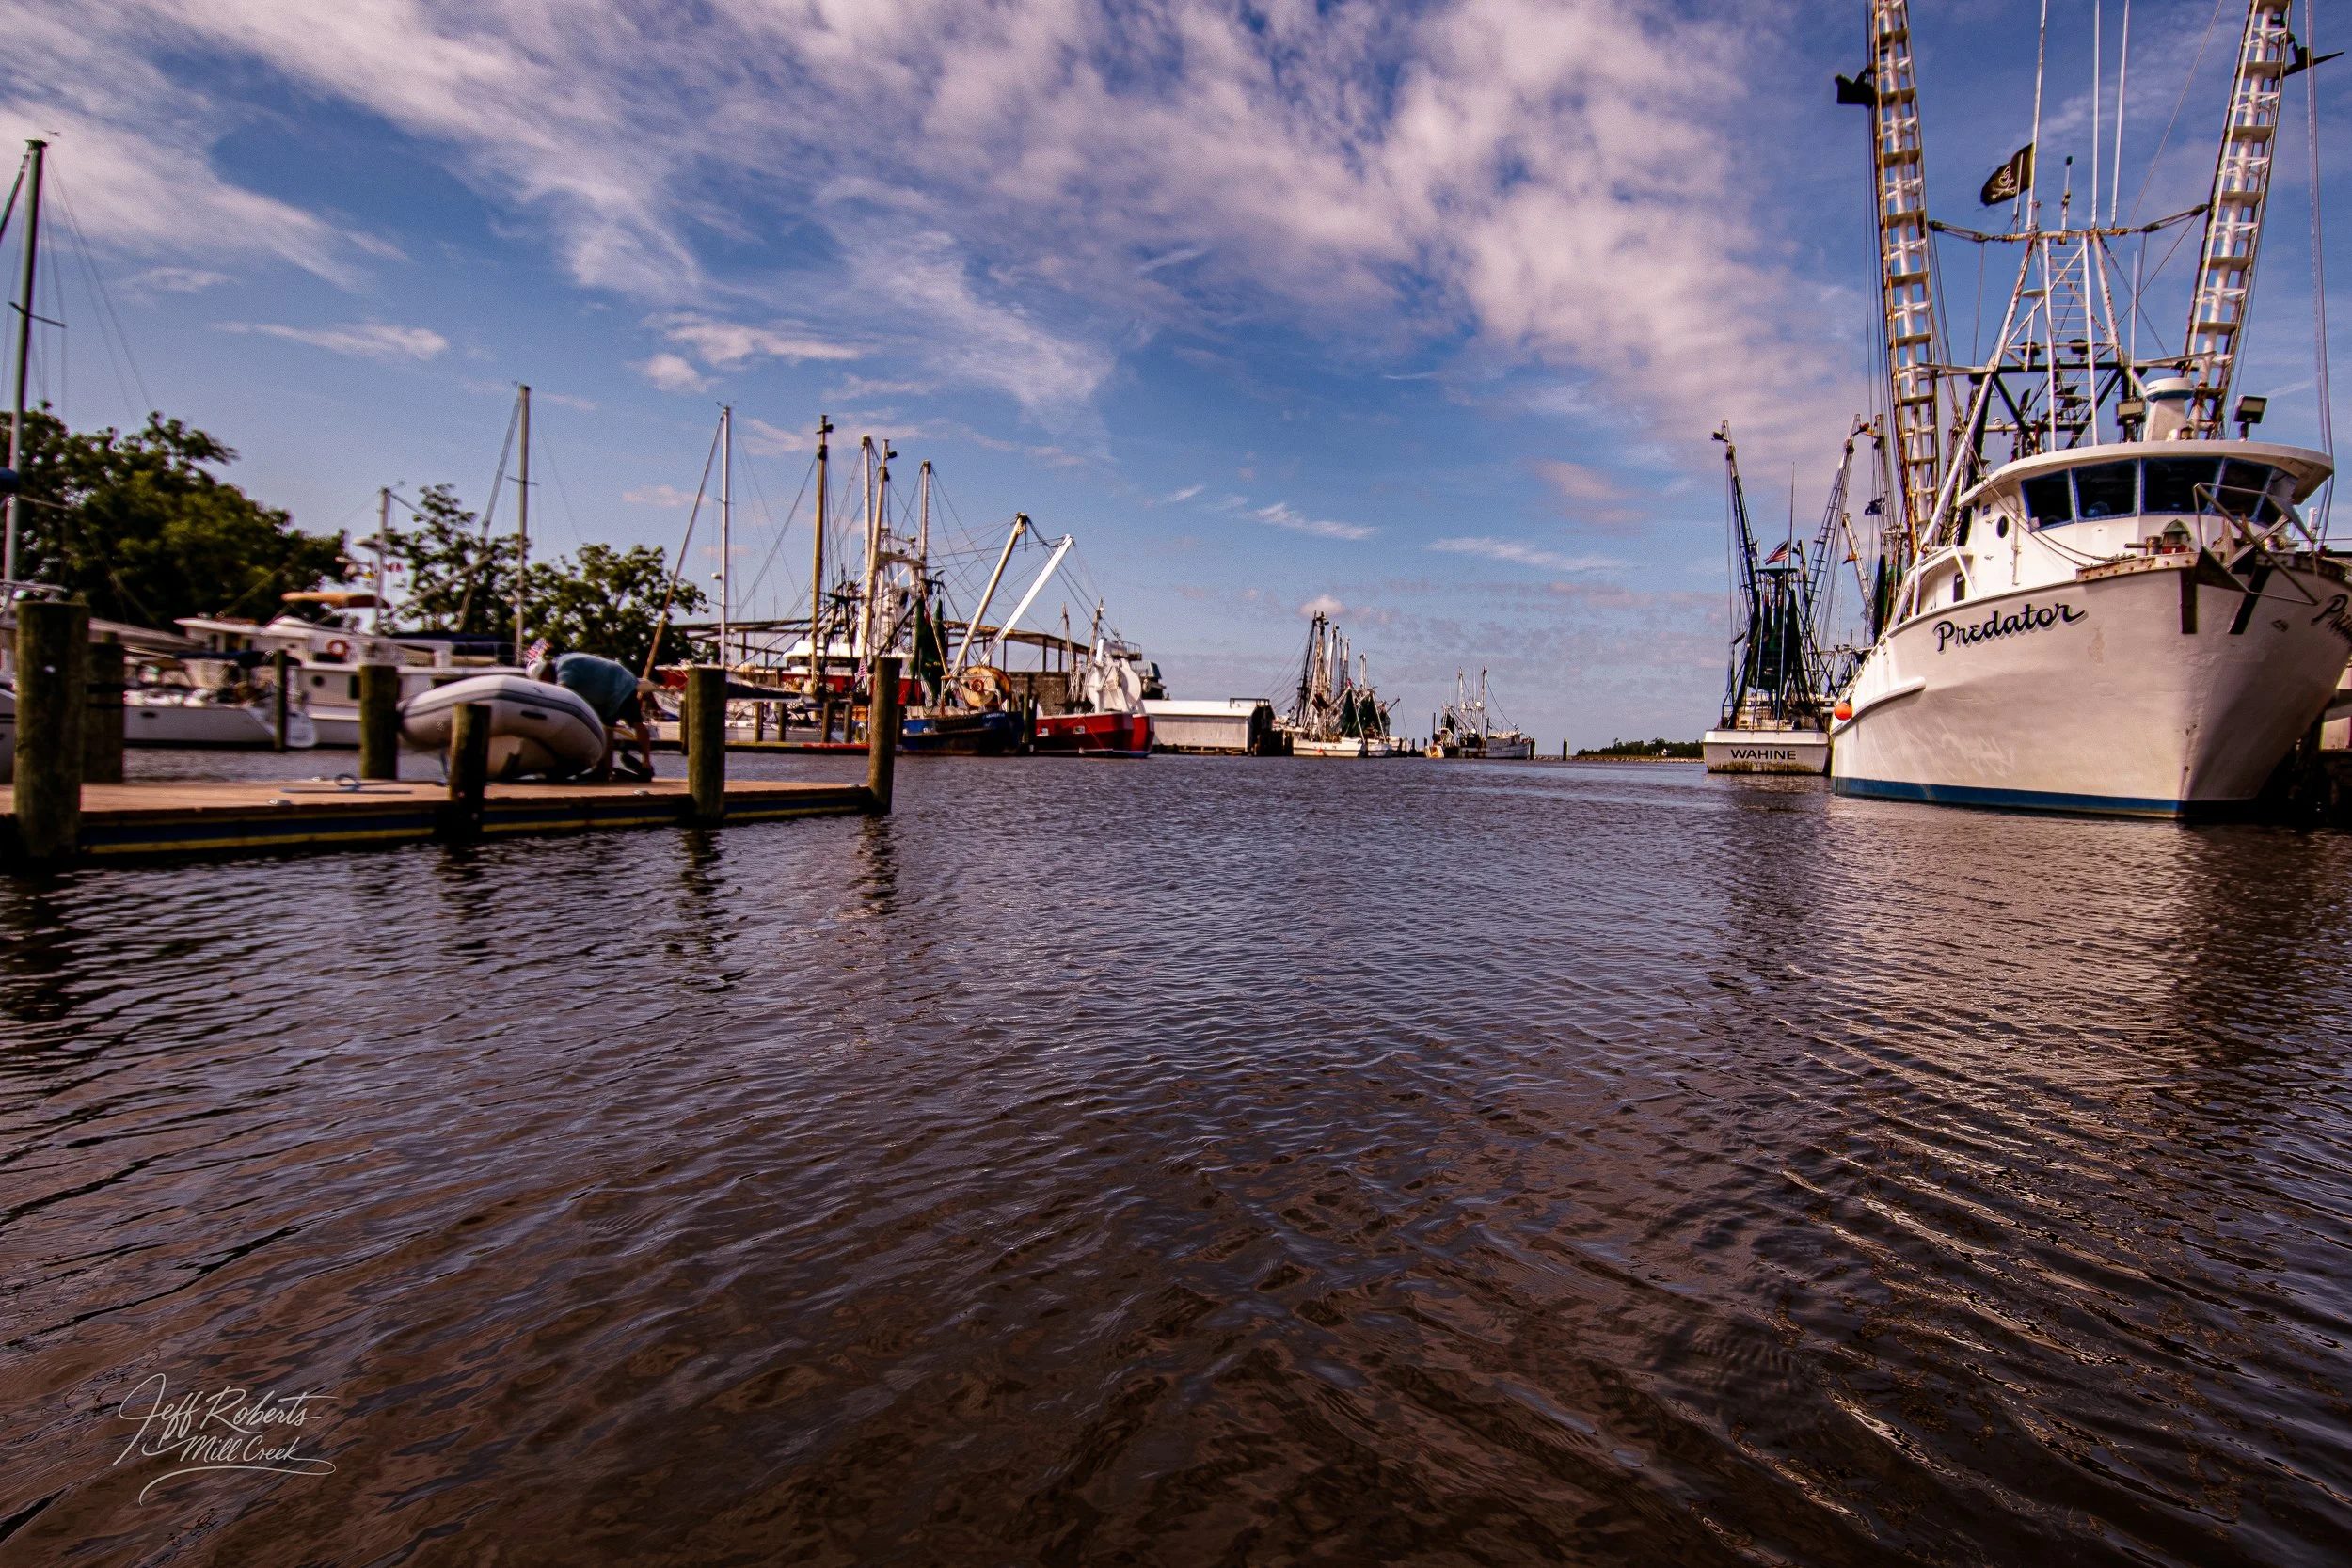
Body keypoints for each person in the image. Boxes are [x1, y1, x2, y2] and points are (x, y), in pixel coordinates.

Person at [530, 650, 657, 782]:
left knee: (634, 722)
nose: (546, 684)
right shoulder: (563, 660)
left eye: (543, 680)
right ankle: (605, 768)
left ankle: (644, 765)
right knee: (607, 725)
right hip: (612, 686)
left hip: (620, 683)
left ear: (547, 671)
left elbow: (563, 693)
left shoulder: (564, 667)